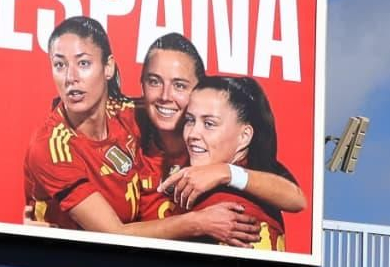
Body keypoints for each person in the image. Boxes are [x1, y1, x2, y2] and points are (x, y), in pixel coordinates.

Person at [23, 17, 259, 245]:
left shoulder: (129, 114)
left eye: (83, 63)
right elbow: (113, 234)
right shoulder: (50, 147)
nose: (70, 78)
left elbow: (289, 192)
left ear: (108, 67)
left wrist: (226, 171)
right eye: (59, 65)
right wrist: (198, 222)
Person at [134, 32, 306, 216]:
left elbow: (296, 198)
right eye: (154, 82)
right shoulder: (127, 125)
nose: (165, 96)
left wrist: (226, 172)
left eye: (180, 85)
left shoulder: (220, 151)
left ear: (198, 89)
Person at [175, 76, 291, 250]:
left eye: (209, 123)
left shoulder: (225, 205)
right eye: (190, 120)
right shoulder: (261, 190)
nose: (193, 134)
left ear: (244, 136)